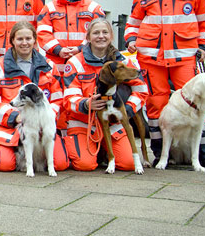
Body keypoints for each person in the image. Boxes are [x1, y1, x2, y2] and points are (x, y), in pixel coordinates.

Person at [125, 0, 205, 169]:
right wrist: (131, 40)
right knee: (155, 104)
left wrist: (204, 46)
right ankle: (161, 153)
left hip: (185, 57)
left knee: (197, 102)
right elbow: (133, 22)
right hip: (151, 58)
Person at [61, 18, 148, 171]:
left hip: (113, 125)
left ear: (111, 36)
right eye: (96, 33)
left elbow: (141, 90)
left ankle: (105, 150)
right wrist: (86, 104)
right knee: (85, 165)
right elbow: (68, 98)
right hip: (84, 124)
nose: (101, 36)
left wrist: (127, 110)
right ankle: (99, 151)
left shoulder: (123, 61)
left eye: (105, 32)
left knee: (128, 164)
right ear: (88, 37)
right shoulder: (75, 63)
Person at [0, 22, 69, 172]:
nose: (24, 43)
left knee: (60, 164)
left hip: (41, 127)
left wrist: (45, 119)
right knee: (4, 164)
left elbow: (58, 99)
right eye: (19, 39)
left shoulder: (49, 66)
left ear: (35, 40)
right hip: (9, 128)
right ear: (12, 41)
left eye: (28, 38)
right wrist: (15, 117)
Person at [36, 0, 105, 72]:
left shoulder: (93, 9)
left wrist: (80, 48)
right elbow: (43, 34)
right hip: (56, 66)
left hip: (85, 63)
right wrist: (58, 50)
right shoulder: (49, 8)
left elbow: (101, 35)